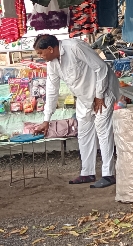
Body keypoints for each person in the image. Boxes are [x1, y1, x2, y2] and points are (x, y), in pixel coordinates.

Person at [33, 34, 120, 188]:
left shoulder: (74, 47)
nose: (40, 56)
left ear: (50, 49)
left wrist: (99, 96)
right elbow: (52, 90)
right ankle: (87, 173)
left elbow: (101, 68)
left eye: (40, 53)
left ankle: (108, 174)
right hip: (84, 97)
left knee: (102, 130)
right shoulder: (52, 64)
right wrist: (46, 120)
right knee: (84, 133)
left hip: (103, 92)